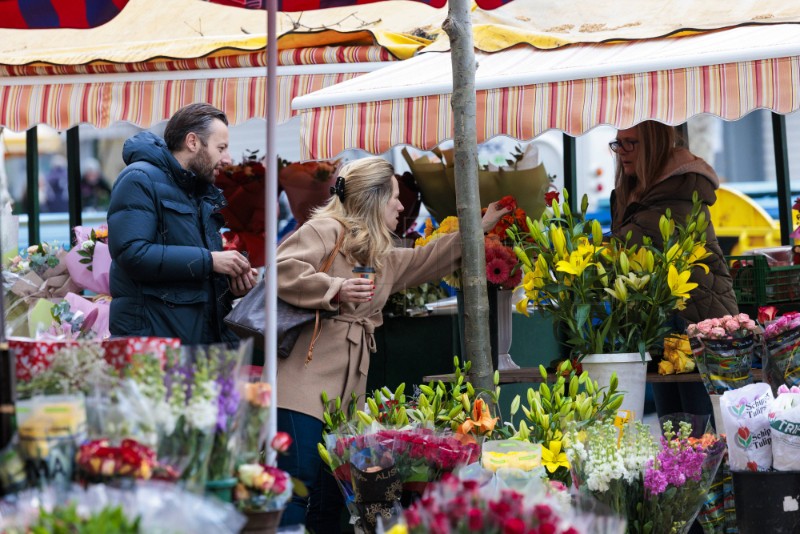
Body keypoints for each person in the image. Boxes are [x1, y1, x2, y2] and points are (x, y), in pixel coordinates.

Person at [275, 156, 509, 531]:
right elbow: (283, 270)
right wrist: (335, 288)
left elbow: (426, 258)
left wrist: (477, 227)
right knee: (296, 482)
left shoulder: (381, 256)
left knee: (330, 493)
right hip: (302, 380)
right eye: (393, 198)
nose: (401, 206)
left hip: (345, 392)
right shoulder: (323, 231)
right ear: (371, 198)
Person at [609, 120, 739, 420]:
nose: (622, 151)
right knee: (673, 425)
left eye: (631, 143)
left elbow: (631, 243)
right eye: (618, 143)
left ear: (654, 144)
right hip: (659, 321)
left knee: (700, 423)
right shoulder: (630, 191)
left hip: (696, 320)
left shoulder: (678, 190)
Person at [107, 103, 257, 345]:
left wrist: (231, 285)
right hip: (153, 347)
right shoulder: (139, 179)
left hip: (195, 344)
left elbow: (191, 275)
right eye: (221, 148)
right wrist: (211, 261)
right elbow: (132, 254)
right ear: (192, 142)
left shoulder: (198, 191)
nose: (227, 159)